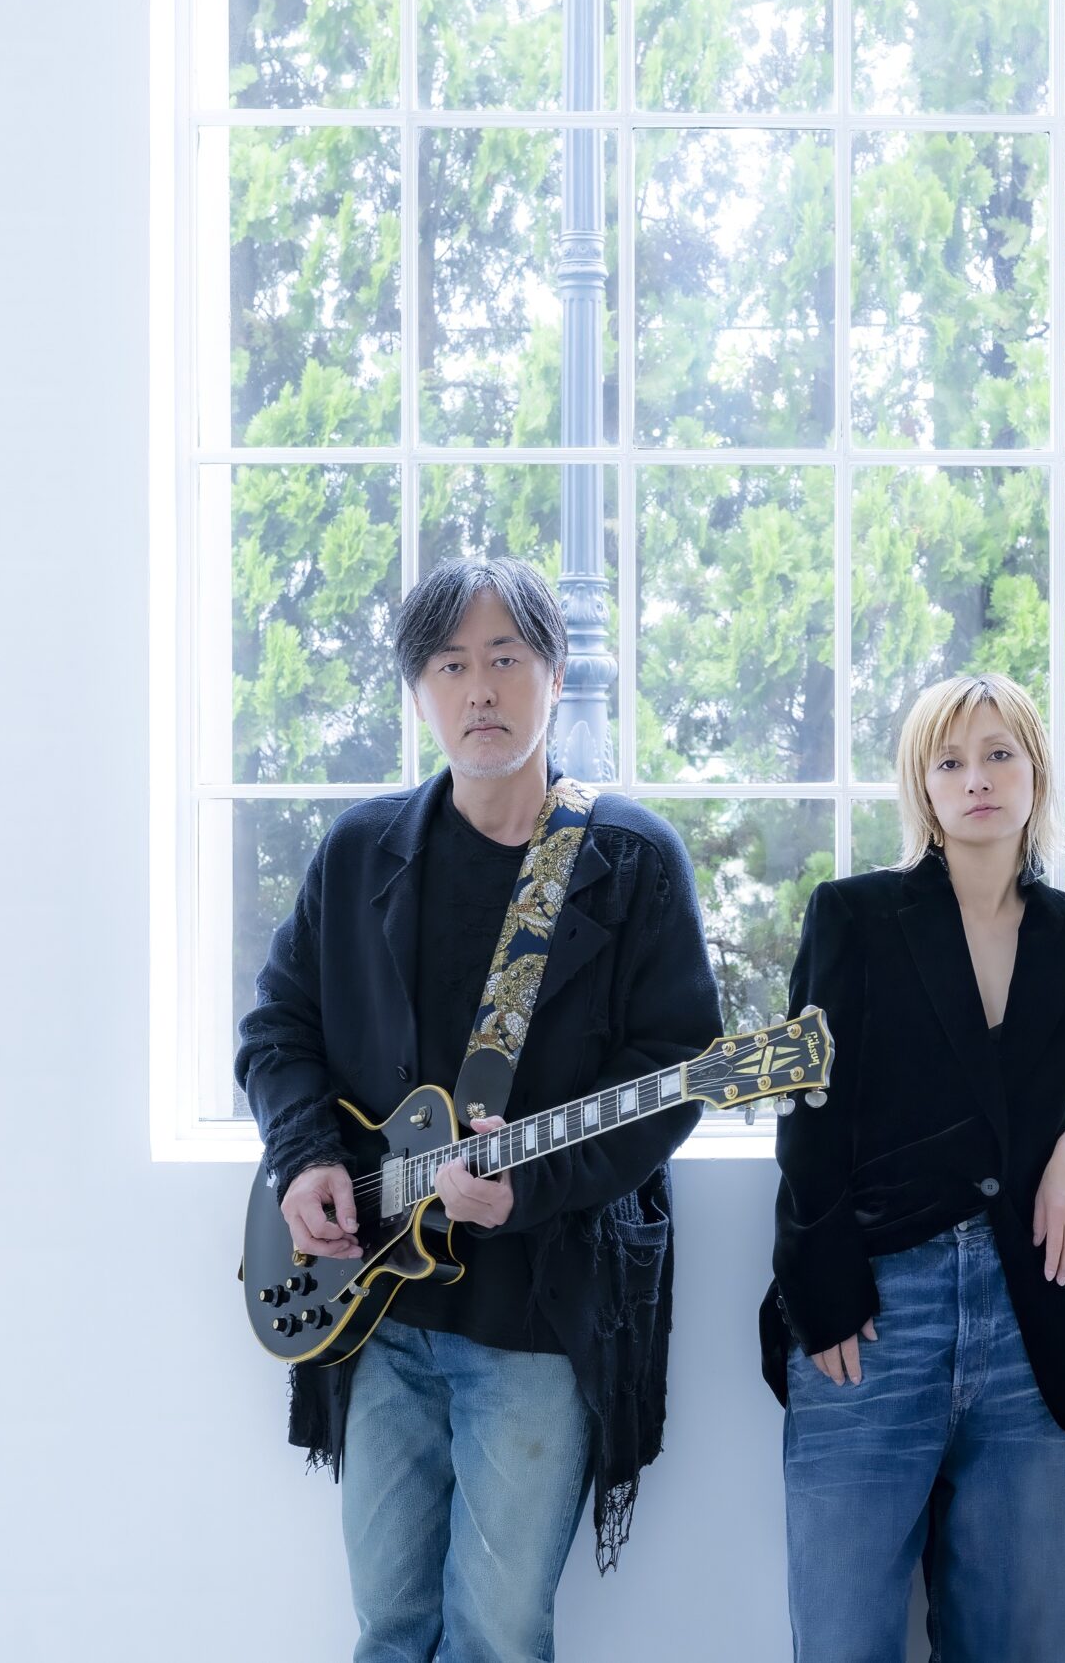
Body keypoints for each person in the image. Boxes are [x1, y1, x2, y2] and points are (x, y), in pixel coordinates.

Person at [238, 557, 721, 1663]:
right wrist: (308, 1155)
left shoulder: (630, 860)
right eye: (450, 665)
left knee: (498, 1637)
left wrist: (527, 1186)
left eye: (506, 657)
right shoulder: (359, 850)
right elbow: (277, 1027)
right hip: (377, 1310)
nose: (481, 688)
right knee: (389, 1625)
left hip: (537, 1319)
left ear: (555, 671)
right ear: (419, 693)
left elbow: (677, 1070)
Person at [760, 671, 1065, 1663]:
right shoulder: (854, 916)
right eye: (951, 760)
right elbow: (807, 1111)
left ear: (1036, 772)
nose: (977, 778)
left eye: (1000, 754)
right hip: (874, 1307)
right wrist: (822, 1292)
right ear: (921, 786)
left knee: (1030, 1641)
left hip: (1031, 1311)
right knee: (844, 1637)